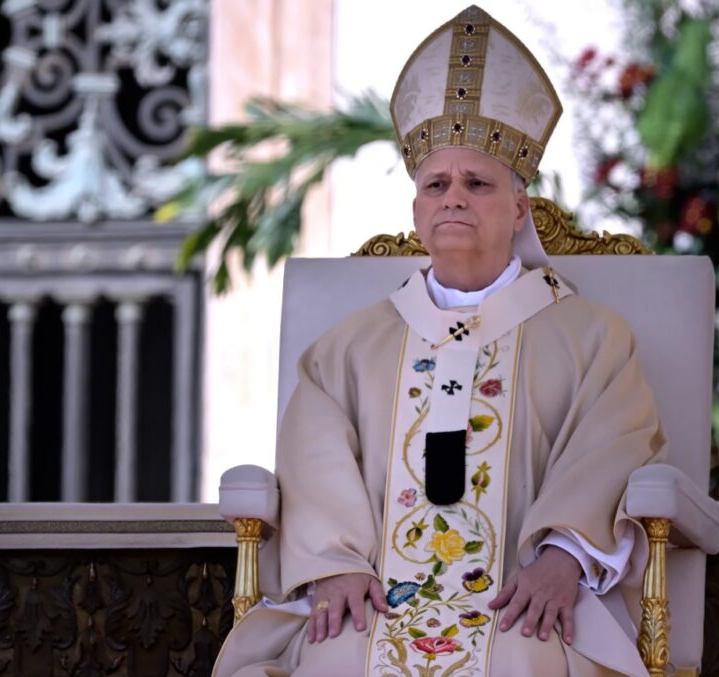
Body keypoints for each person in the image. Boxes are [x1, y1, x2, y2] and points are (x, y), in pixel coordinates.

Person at [214, 6, 665, 676]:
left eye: (476, 183)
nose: (453, 198)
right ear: (417, 210)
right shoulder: (348, 349)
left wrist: (562, 560)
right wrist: (334, 565)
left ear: (520, 209)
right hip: (372, 599)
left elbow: (613, 448)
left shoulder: (592, 338)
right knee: (334, 658)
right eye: (436, 185)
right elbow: (313, 457)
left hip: (522, 603)